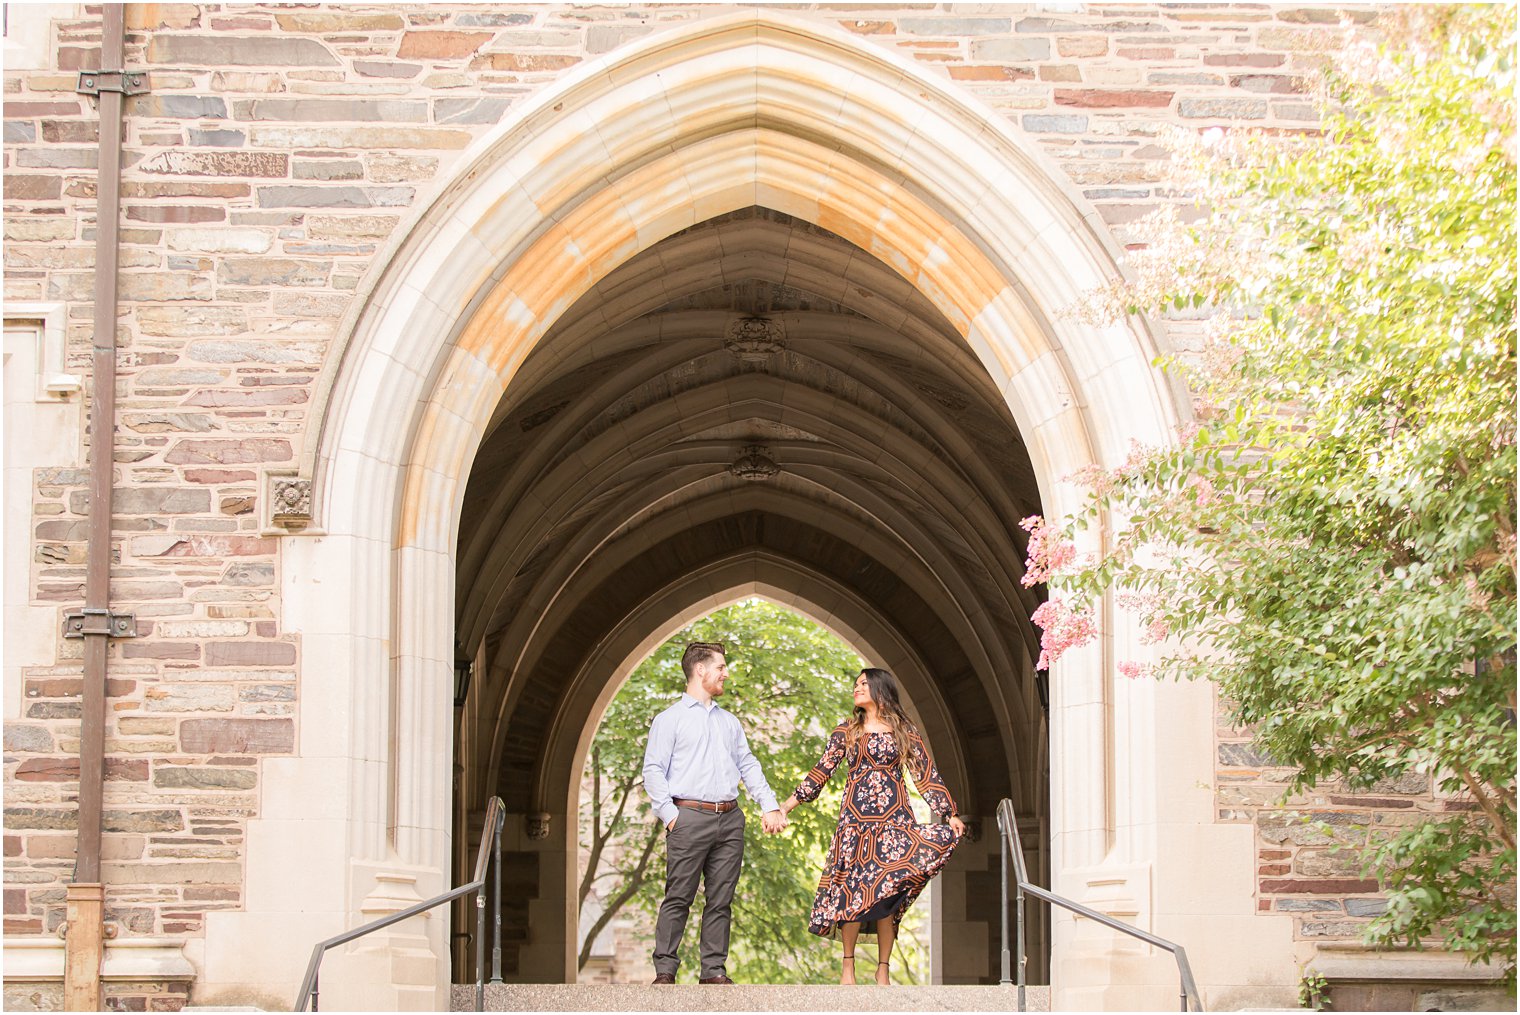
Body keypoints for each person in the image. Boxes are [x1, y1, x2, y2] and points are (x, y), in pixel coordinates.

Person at [780, 667, 965, 985]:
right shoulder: (846, 731)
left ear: (881, 690)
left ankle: (883, 968)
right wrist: (786, 805)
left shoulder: (903, 730)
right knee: (852, 896)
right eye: (855, 685)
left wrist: (948, 814)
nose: (857, 689)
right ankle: (848, 966)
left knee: (885, 899)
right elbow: (820, 772)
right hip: (855, 826)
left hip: (894, 825)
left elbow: (924, 773)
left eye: (863, 684)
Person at [642, 641, 788, 985]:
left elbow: (748, 765)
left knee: (721, 900)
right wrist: (670, 814)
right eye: (721, 666)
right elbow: (653, 770)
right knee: (679, 896)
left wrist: (768, 805)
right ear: (700, 670)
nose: (726, 673)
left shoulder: (730, 722)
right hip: (688, 817)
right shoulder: (670, 720)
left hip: (730, 818)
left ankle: (713, 970)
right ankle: (665, 969)